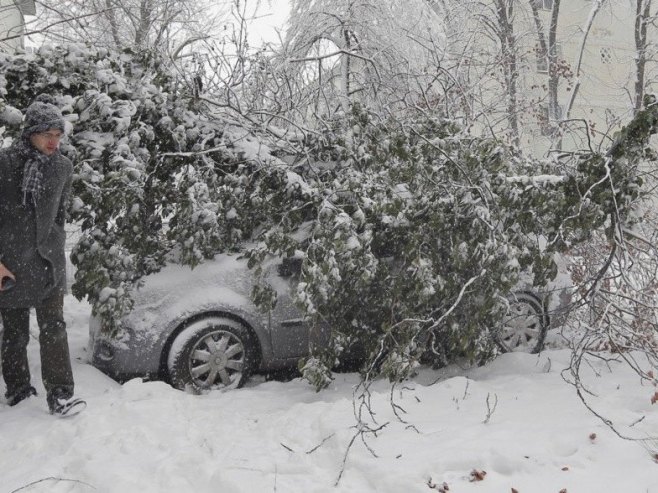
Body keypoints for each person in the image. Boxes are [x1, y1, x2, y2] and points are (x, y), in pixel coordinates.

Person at [0, 94, 85, 416]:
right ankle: (18, 390)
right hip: (10, 263)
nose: (54, 141)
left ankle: (61, 394)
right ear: (30, 133)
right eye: (47, 134)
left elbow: (60, 213)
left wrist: (55, 242)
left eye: (58, 134)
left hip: (48, 262)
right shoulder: (4, 163)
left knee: (54, 327)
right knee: (15, 332)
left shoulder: (63, 166)